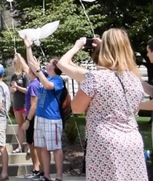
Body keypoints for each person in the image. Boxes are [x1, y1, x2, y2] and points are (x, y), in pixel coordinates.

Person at [59, 31, 148, 181]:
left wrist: (77, 46)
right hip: (133, 142)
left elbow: (76, 107)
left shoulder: (96, 78)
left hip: (105, 143)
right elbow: (134, 109)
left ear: (105, 50)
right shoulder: (134, 79)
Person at [25, 37, 64, 181]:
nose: (47, 64)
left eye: (50, 63)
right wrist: (28, 47)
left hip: (52, 119)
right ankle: (46, 176)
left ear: (55, 67)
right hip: (40, 118)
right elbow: (32, 64)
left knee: (56, 148)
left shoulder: (58, 80)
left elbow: (48, 86)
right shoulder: (44, 76)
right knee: (42, 148)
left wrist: (38, 70)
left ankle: (59, 177)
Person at [20, 47, 44, 180]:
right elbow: (26, 66)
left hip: (33, 118)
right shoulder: (34, 82)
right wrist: (22, 55)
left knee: (34, 145)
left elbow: (34, 103)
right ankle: (36, 169)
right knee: (32, 144)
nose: (27, 70)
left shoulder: (34, 85)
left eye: (30, 69)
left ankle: (37, 169)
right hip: (32, 117)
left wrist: (28, 120)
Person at [10, 53, 29, 153]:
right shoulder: (13, 76)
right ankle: (20, 146)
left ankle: (30, 146)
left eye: (14, 63)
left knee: (27, 125)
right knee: (20, 125)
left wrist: (17, 87)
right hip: (16, 104)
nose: (12, 64)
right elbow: (11, 89)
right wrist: (12, 89)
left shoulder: (25, 75)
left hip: (25, 104)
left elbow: (28, 90)